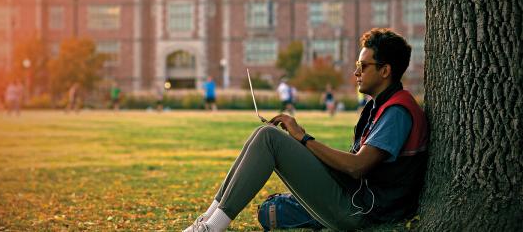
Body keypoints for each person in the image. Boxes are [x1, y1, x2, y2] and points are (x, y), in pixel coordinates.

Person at [183, 28, 428, 232]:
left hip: (361, 212)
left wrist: (303, 138)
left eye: (363, 66)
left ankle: (212, 228)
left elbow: (357, 167)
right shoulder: (382, 105)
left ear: (385, 71)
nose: (356, 72)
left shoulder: (397, 112)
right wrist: (302, 142)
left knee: (269, 137)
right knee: (263, 135)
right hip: (356, 199)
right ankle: (207, 221)